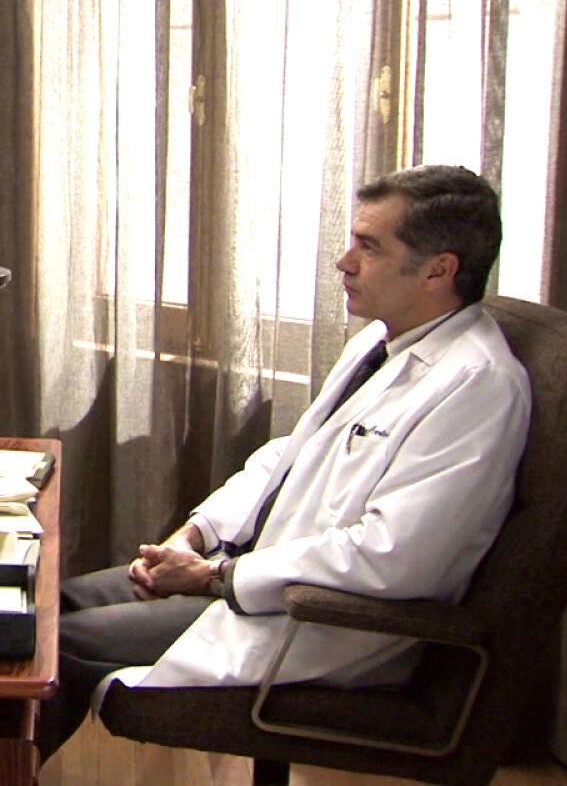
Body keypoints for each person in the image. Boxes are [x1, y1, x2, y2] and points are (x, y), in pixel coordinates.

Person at [38, 165, 532, 759]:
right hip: (245, 575)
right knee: (36, 605)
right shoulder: (382, 342)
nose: (344, 262)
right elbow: (288, 458)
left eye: (370, 247)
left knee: (48, 647)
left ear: (438, 270)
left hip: (317, 622)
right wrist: (196, 534)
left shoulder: (478, 385)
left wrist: (215, 577)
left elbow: (391, 558)